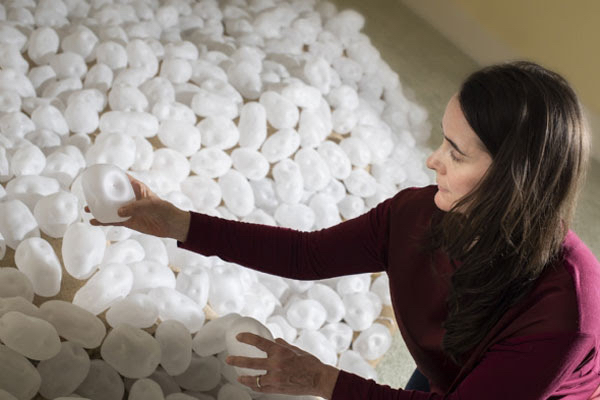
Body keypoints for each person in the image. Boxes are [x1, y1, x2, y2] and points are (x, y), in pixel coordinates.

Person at [88, 61, 600, 399]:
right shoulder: (419, 214)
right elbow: (306, 257)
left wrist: (321, 379)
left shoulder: (564, 311)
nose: (432, 161)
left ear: (515, 181)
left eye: (455, 153)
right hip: (453, 365)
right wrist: (178, 222)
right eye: (442, 141)